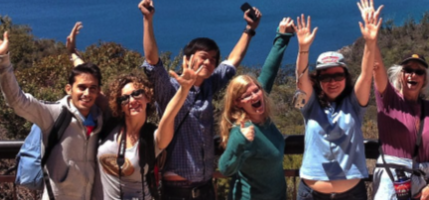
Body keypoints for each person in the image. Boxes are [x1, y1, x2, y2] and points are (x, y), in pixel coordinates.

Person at [138, 0, 261, 199]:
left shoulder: (208, 85)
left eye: (213, 59)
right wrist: (147, 20)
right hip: (176, 190)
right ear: (188, 58)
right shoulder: (170, 88)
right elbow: (153, 62)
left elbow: (233, 61)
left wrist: (249, 29)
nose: (209, 62)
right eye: (203, 56)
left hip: (205, 188)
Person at [0, 24, 109, 199]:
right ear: (68, 89)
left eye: (93, 88)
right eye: (82, 88)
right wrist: (2, 60)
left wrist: (73, 53)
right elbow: (17, 102)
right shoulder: (54, 114)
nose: (87, 93)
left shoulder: (100, 118)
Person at [292, 1, 378, 198]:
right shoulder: (310, 106)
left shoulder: (354, 105)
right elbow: (301, 79)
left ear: (346, 77)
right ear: (318, 80)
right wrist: (303, 48)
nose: (332, 82)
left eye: (338, 76)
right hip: (312, 194)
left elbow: (366, 75)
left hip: (351, 194)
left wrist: (370, 42)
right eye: (325, 77)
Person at [365, 1, 429, 199]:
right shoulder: (389, 99)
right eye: (408, 70)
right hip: (392, 181)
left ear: (424, 79)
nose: (413, 75)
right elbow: (376, 67)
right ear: (400, 75)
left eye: (419, 72)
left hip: (424, 185)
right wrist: (372, 40)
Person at [94, 55, 201, 199]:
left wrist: (184, 90)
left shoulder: (152, 139)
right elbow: (89, 83)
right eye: (124, 98)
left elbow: (168, 116)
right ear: (120, 106)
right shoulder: (110, 126)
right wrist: (73, 53)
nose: (132, 100)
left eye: (137, 93)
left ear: (147, 97)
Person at [216, 17, 295, 200]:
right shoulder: (242, 130)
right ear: (238, 103)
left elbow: (269, 71)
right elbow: (225, 168)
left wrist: (283, 36)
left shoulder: (260, 111)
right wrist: (239, 142)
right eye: (246, 95)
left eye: (256, 90)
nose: (255, 96)